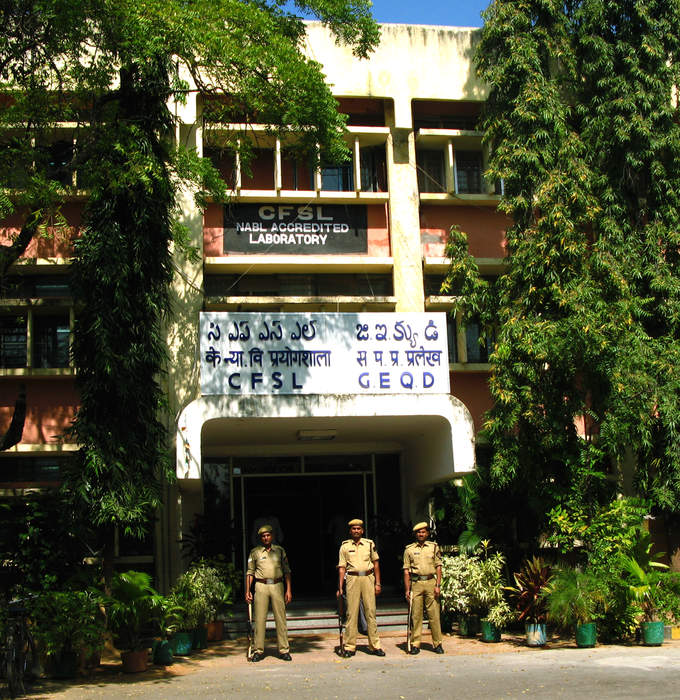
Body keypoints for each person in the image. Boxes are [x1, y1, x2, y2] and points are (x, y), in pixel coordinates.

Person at [336, 518, 385, 657]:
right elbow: (341, 568)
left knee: (371, 611)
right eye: (354, 529)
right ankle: (350, 646)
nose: (356, 531)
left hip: (368, 578)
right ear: (350, 531)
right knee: (351, 613)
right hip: (352, 578)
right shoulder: (344, 546)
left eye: (358, 529)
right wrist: (340, 587)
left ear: (362, 530)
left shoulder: (369, 544)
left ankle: (375, 646)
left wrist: (378, 583)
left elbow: (376, 564)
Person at [245, 524, 292, 662]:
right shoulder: (255, 552)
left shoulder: (280, 551)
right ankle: (258, 650)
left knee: (281, 619)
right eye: (263, 536)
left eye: (268, 535)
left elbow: (287, 571)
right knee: (259, 619)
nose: (266, 538)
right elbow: (250, 572)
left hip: (277, 584)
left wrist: (288, 590)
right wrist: (248, 590)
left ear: (272, 536)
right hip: (261, 585)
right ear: (260, 538)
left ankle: (284, 650)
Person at [403, 521, 444, 654]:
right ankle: (415, 644)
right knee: (416, 615)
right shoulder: (409, 549)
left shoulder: (433, 547)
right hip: (416, 583)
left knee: (434, 615)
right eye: (419, 532)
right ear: (416, 534)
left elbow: (438, 567)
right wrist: (407, 590)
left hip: (431, 582)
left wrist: (438, 585)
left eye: (423, 532)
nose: (421, 534)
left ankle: (438, 644)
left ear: (427, 533)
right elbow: (406, 571)